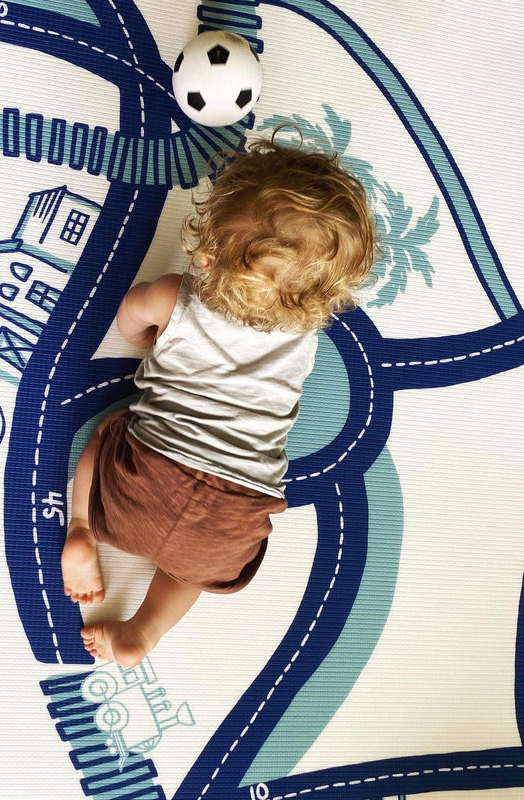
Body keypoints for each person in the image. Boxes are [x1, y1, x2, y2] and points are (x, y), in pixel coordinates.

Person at [61, 134, 377, 667]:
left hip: (139, 488)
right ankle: (144, 630)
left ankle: (80, 531)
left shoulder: (173, 296)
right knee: (193, 572)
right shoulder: (305, 340)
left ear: (205, 255)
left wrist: (149, 335)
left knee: (108, 433)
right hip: (233, 517)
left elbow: (129, 322)